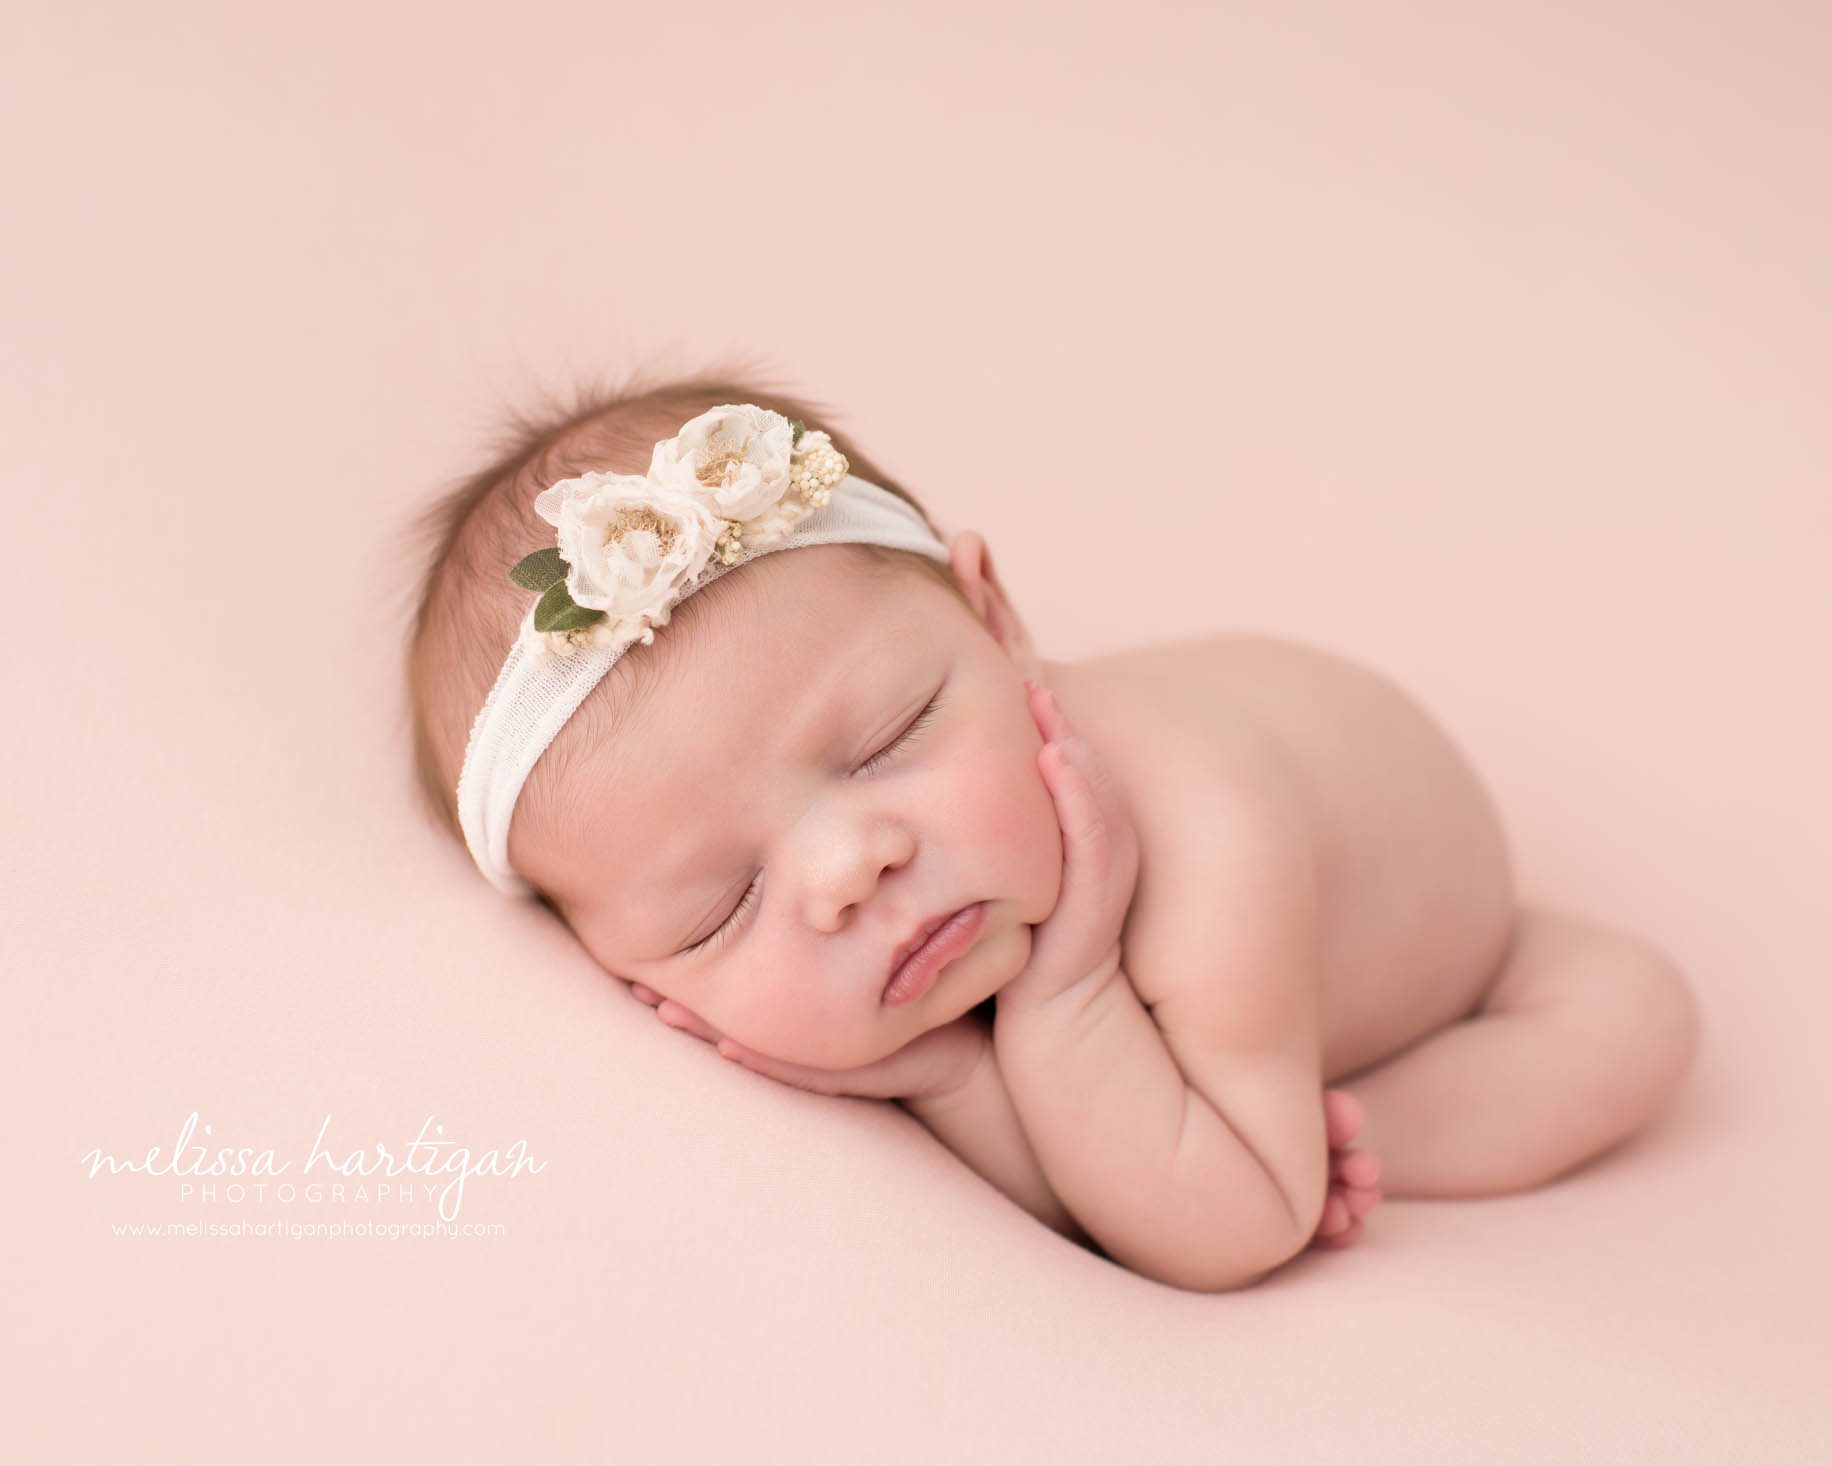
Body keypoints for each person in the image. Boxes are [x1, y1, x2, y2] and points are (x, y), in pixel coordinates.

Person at [403, 375, 1701, 1292]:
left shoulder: (1205, 822)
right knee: (1128, 1136)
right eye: (718, 906)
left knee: (1634, 1020)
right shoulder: (938, 896)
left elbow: (1234, 1228)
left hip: (1463, 944)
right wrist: (958, 1076)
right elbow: (1092, 1167)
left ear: (994, 616)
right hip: (1187, 1066)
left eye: (885, 740)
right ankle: (1222, 1108)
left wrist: (1069, 998)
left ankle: (1310, 1120)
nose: (851, 870)